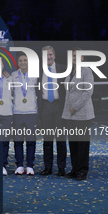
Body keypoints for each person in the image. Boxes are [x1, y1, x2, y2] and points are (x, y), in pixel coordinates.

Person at [62, 48, 94, 181]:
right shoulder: (69, 72)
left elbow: (88, 92)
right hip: (70, 115)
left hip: (82, 114)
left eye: (77, 56)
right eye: (73, 56)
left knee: (82, 144)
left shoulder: (86, 71)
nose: (74, 58)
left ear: (82, 58)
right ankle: (75, 169)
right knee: (73, 144)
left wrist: (75, 107)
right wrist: (70, 110)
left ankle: (82, 171)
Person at [38, 46, 67, 176]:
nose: (48, 57)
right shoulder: (38, 70)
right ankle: (48, 168)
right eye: (45, 55)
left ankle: (61, 168)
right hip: (45, 108)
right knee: (47, 140)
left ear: (54, 55)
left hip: (59, 107)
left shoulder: (63, 68)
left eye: (50, 54)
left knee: (61, 140)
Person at [11, 52, 38, 175]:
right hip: (17, 112)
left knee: (31, 140)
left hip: (32, 112)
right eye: (21, 60)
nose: (23, 63)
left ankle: (30, 165)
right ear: (18, 62)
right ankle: (20, 165)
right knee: (18, 140)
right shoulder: (13, 75)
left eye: (25, 60)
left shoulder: (35, 75)